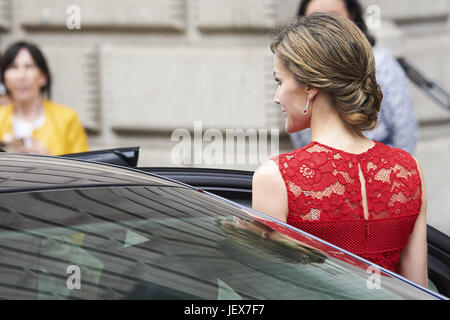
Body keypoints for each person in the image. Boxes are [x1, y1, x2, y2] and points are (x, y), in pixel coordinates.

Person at [252, 13, 428, 287]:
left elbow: (268, 292)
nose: (277, 98)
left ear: (310, 87)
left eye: (279, 81)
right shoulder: (408, 170)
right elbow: (418, 290)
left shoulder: (275, 177)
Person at [289, 0, 419, 155]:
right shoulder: (298, 70)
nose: (325, 27)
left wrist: (394, 172)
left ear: (351, 16)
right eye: (316, 19)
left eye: (334, 17)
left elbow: (404, 127)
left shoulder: (380, 62)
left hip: (377, 168)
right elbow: (298, 131)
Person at [0, 41, 89, 155]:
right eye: (14, 67)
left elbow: (83, 169)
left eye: (29, 66)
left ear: (43, 77)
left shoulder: (67, 119)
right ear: (4, 78)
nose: (21, 76)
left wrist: (49, 159)